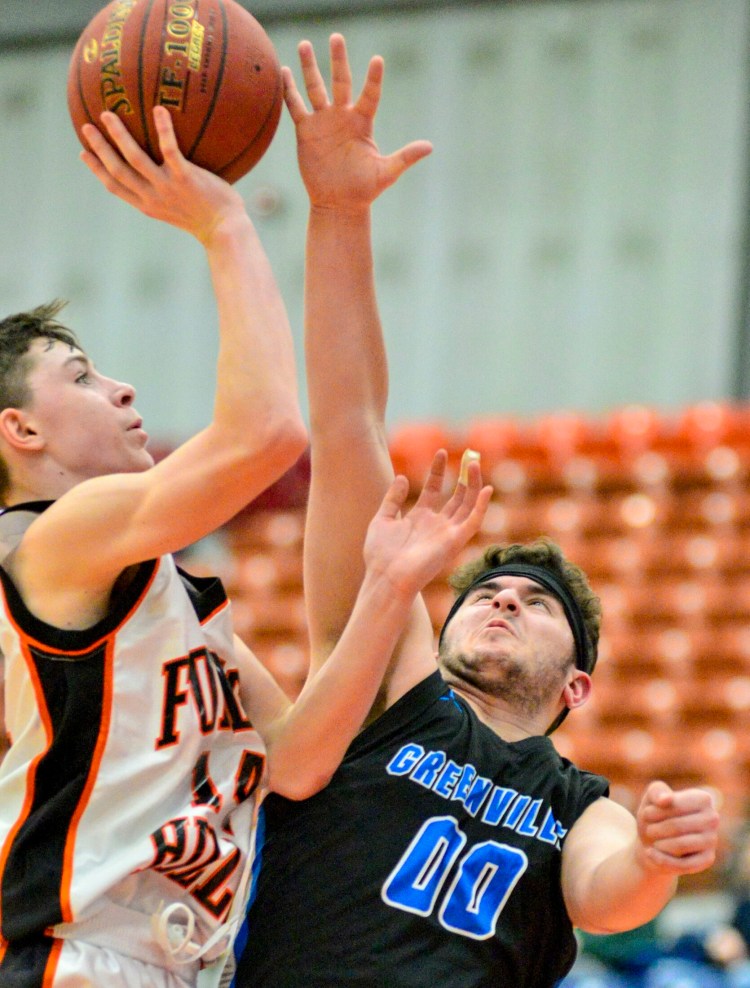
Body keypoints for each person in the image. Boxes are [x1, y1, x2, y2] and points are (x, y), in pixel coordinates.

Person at [233, 34, 720, 988]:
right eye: (487, 593)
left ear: (577, 688)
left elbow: (606, 891)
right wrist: (338, 213)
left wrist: (656, 859)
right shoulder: (388, 685)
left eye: (536, 605)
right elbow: (349, 421)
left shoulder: (579, 805)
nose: (502, 600)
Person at [0, 108, 492, 988]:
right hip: (72, 959)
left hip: (173, 966)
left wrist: (388, 587)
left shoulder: (164, 591)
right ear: (20, 429)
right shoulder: (48, 541)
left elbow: (296, 762)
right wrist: (224, 222)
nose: (122, 388)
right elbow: (267, 434)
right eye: (82, 377)